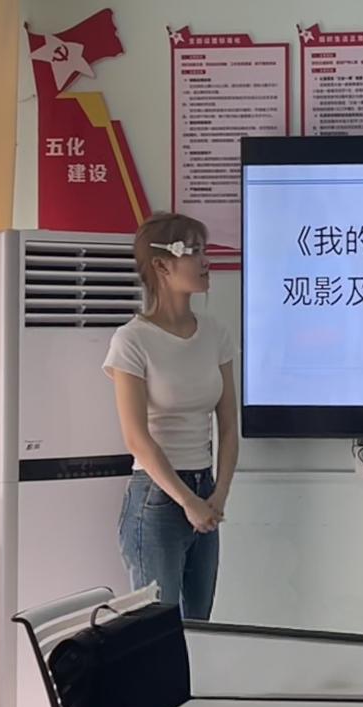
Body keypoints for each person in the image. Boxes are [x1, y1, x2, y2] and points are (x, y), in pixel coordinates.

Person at [103, 212, 239, 620]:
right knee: (157, 631)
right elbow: (136, 438)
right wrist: (187, 501)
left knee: (199, 626)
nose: (205, 261)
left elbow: (229, 426)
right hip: (157, 498)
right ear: (162, 265)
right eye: (193, 251)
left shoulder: (214, 333)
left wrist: (218, 494)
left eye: (204, 250)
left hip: (205, 489)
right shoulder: (132, 340)